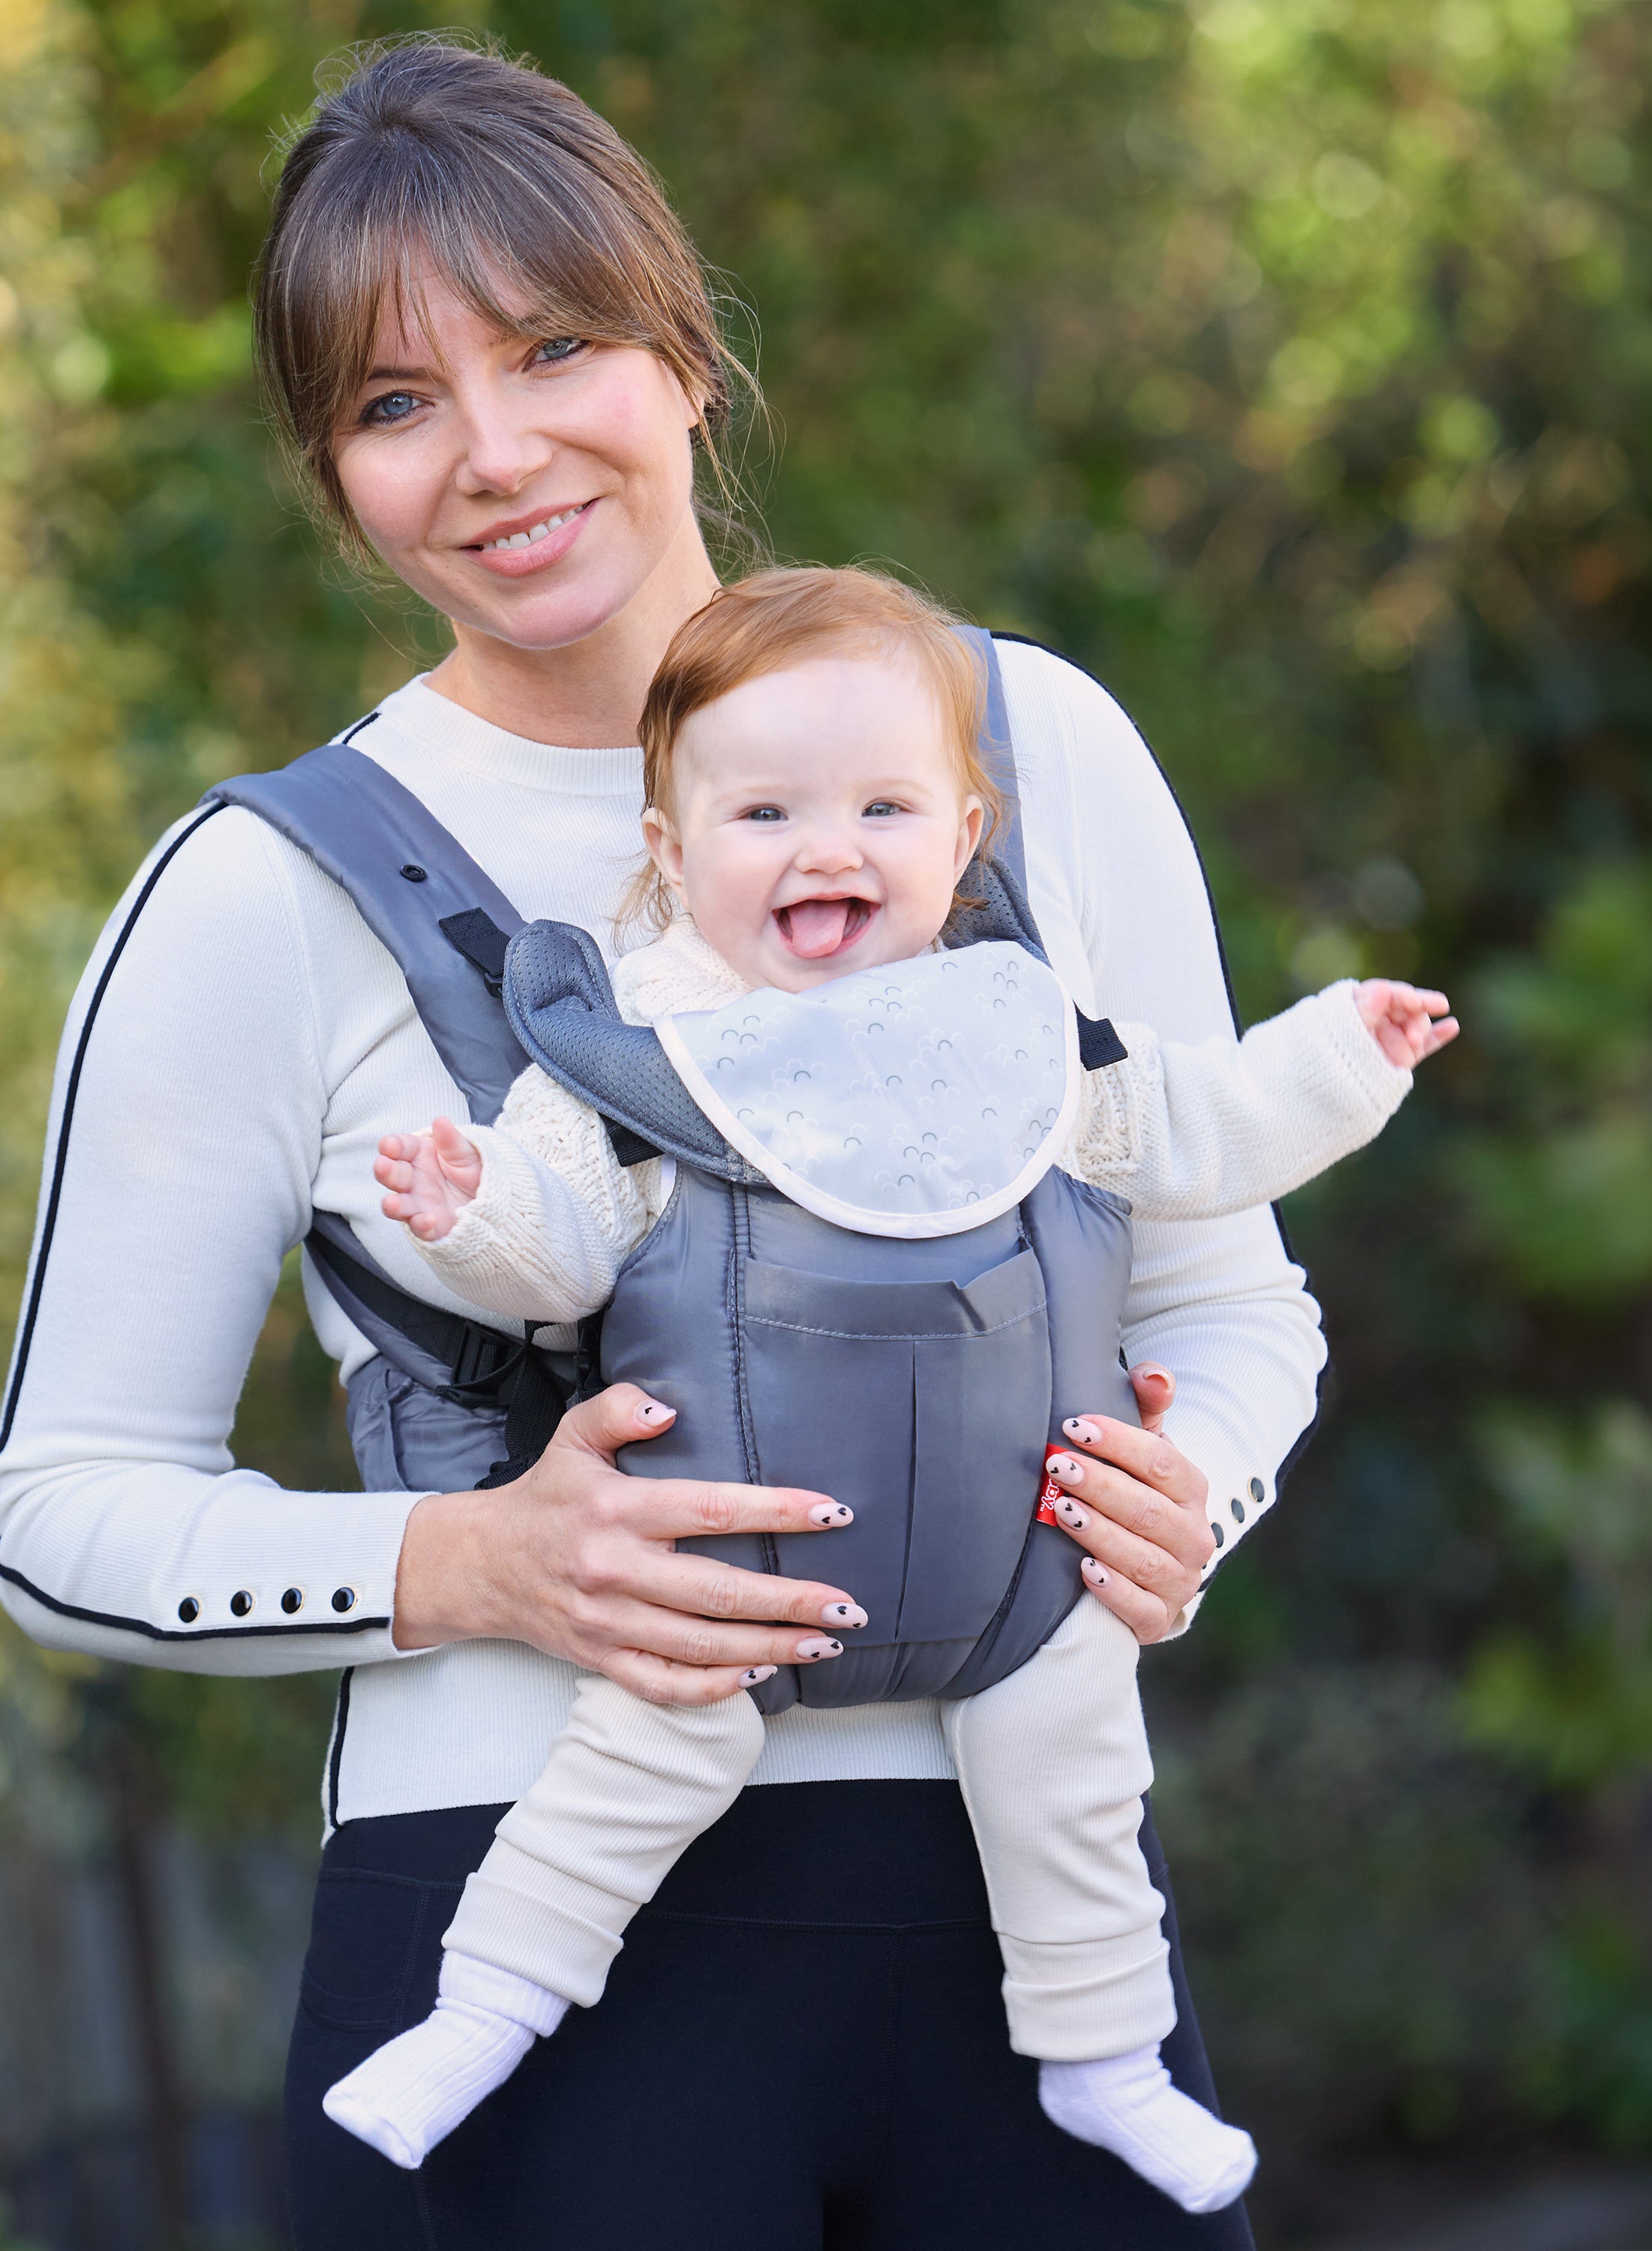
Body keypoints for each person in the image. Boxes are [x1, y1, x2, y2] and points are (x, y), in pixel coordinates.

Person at [0, 38, 1339, 2249]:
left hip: (1035, 1942)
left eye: (554, 347)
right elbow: (63, 1512)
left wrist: (1197, 1489)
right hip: (513, 1941)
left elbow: (1225, 1298)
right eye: (394, 404)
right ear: (337, 482)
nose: (496, 454)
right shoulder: (263, 893)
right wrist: (463, 1565)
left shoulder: (1028, 750)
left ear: (685, 352)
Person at [326, 566, 1455, 2210]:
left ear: (963, 833)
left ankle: (1109, 2065)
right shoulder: (647, 1052)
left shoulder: (1016, 1043)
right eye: (764, 810)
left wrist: (1341, 1056)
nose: (825, 846)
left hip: (1018, 1584)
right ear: (670, 851)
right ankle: (479, 2017)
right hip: (733, 1598)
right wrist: (468, 1212)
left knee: (1076, 1788)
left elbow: (1202, 1133)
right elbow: (559, 1252)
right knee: (619, 1781)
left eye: (881, 806)